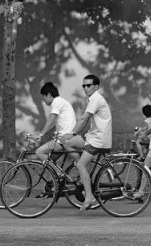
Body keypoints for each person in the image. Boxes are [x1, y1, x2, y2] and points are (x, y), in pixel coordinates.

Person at [63, 75, 112, 211]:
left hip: (97, 140)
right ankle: (84, 177)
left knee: (80, 164)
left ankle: (89, 196)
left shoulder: (95, 99)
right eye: (83, 85)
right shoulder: (94, 98)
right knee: (70, 145)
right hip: (94, 137)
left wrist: (72, 133)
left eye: (88, 85)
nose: (85, 88)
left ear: (96, 87)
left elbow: (84, 119)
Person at [35, 82, 78, 161]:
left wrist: (41, 135)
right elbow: (52, 124)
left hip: (64, 139)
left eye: (43, 98)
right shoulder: (60, 102)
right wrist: (43, 135)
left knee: (39, 152)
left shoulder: (57, 102)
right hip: (64, 137)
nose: (43, 101)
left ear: (48, 95)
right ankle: (57, 172)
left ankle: (58, 173)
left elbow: (51, 120)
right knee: (56, 162)